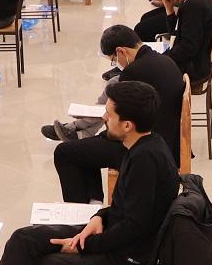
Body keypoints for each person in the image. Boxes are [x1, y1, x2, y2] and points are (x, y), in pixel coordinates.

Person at [0, 80, 178, 265]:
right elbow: (130, 208)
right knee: (23, 240)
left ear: (127, 125)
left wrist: (84, 246)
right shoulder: (143, 145)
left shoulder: (145, 160)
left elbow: (136, 226)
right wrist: (99, 217)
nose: (104, 118)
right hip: (114, 237)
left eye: (109, 114)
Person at [52, 26, 184, 201]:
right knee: (85, 147)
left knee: (64, 153)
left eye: (114, 60)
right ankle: (94, 202)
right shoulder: (164, 60)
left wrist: (103, 130)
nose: (116, 65)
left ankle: (81, 210)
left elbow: (120, 122)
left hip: (141, 147)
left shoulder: (134, 71)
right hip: (162, 139)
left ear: (121, 51)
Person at [137, 0, 212, 87]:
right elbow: (176, 35)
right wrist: (169, 9)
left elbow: (187, 49)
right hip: (195, 63)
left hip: (191, 70)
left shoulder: (193, 5)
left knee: (138, 73)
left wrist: (161, 59)